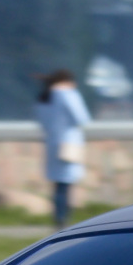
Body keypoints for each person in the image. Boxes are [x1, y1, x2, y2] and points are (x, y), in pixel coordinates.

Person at [35, 69, 91, 228]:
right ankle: (63, 219)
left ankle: (58, 218)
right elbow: (82, 118)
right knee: (66, 184)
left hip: (52, 143)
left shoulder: (44, 97)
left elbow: (43, 122)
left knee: (58, 185)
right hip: (69, 143)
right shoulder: (68, 94)